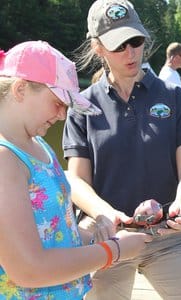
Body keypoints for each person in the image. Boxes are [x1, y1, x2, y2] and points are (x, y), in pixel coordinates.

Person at [63, 1, 181, 299]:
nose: (131, 52)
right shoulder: (82, 107)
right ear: (98, 48)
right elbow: (76, 181)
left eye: (135, 41)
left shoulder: (174, 96)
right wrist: (105, 214)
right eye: (118, 45)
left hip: (168, 237)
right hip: (109, 238)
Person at [0, 40, 153, 299]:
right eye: (58, 102)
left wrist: (95, 231)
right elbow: (27, 269)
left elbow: (54, 232)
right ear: (21, 89)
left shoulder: (39, 146)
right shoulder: (5, 159)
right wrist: (114, 251)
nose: (62, 115)